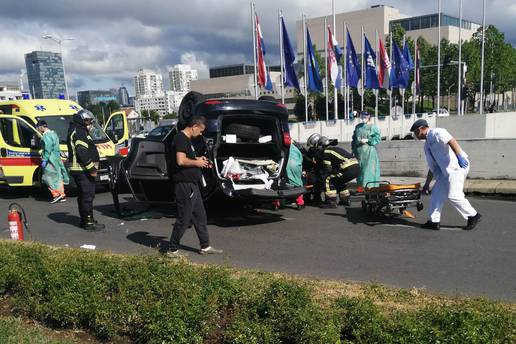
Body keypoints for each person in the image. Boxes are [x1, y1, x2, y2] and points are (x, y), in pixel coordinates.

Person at [410, 119, 481, 230]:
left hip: (457, 167)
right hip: (446, 172)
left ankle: (473, 215)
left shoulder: (436, 132)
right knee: (436, 194)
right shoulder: (427, 146)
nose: (414, 135)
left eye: (415, 132)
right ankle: (433, 221)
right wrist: (427, 184)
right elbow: (433, 166)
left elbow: (451, 141)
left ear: (420, 130)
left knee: (454, 195)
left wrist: (459, 156)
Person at [167, 115, 222, 257]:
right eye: (201, 130)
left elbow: (187, 157)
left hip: (193, 184)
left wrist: (199, 159)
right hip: (184, 185)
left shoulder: (188, 140)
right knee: (184, 218)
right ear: (194, 126)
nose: (201, 133)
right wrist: (196, 163)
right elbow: (180, 160)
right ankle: (172, 249)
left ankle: (205, 246)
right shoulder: (181, 138)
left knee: (200, 216)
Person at [66, 109, 105, 231]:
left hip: (80, 170)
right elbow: (82, 152)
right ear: (84, 120)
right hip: (82, 170)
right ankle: (88, 222)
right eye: (89, 122)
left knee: (84, 196)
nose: (91, 125)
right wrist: (92, 169)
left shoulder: (77, 129)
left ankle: (86, 219)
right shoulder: (79, 131)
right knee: (87, 196)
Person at [314, 136, 360, 208]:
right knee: (338, 180)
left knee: (328, 179)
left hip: (348, 169)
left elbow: (327, 168)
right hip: (356, 168)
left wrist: (323, 177)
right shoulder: (335, 149)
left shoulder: (326, 152)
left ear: (321, 145)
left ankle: (331, 202)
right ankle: (345, 200)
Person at [36, 120, 69, 203]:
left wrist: (45, 159)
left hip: (50, 160)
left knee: (48, 178)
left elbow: (47, 149)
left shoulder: (46, 136)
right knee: (58, 177)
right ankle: (62, 195)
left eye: (38, 127)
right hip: (56, 158)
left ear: (41, 127)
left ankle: (56, 195)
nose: (37, 129)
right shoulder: (54, 134)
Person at [352, 111, 381, 191]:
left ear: (369, 117)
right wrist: (353, 149)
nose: (363, 118)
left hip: (369, 153)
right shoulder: (358, 127)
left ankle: (370, 188)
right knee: (359, 171)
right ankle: (360, 188)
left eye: (365, 117)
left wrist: (368, 140)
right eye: (362, 117)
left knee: (368, 171)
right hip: (359, 152)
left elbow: (378, 138)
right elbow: (354, 139)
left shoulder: (373, 127)